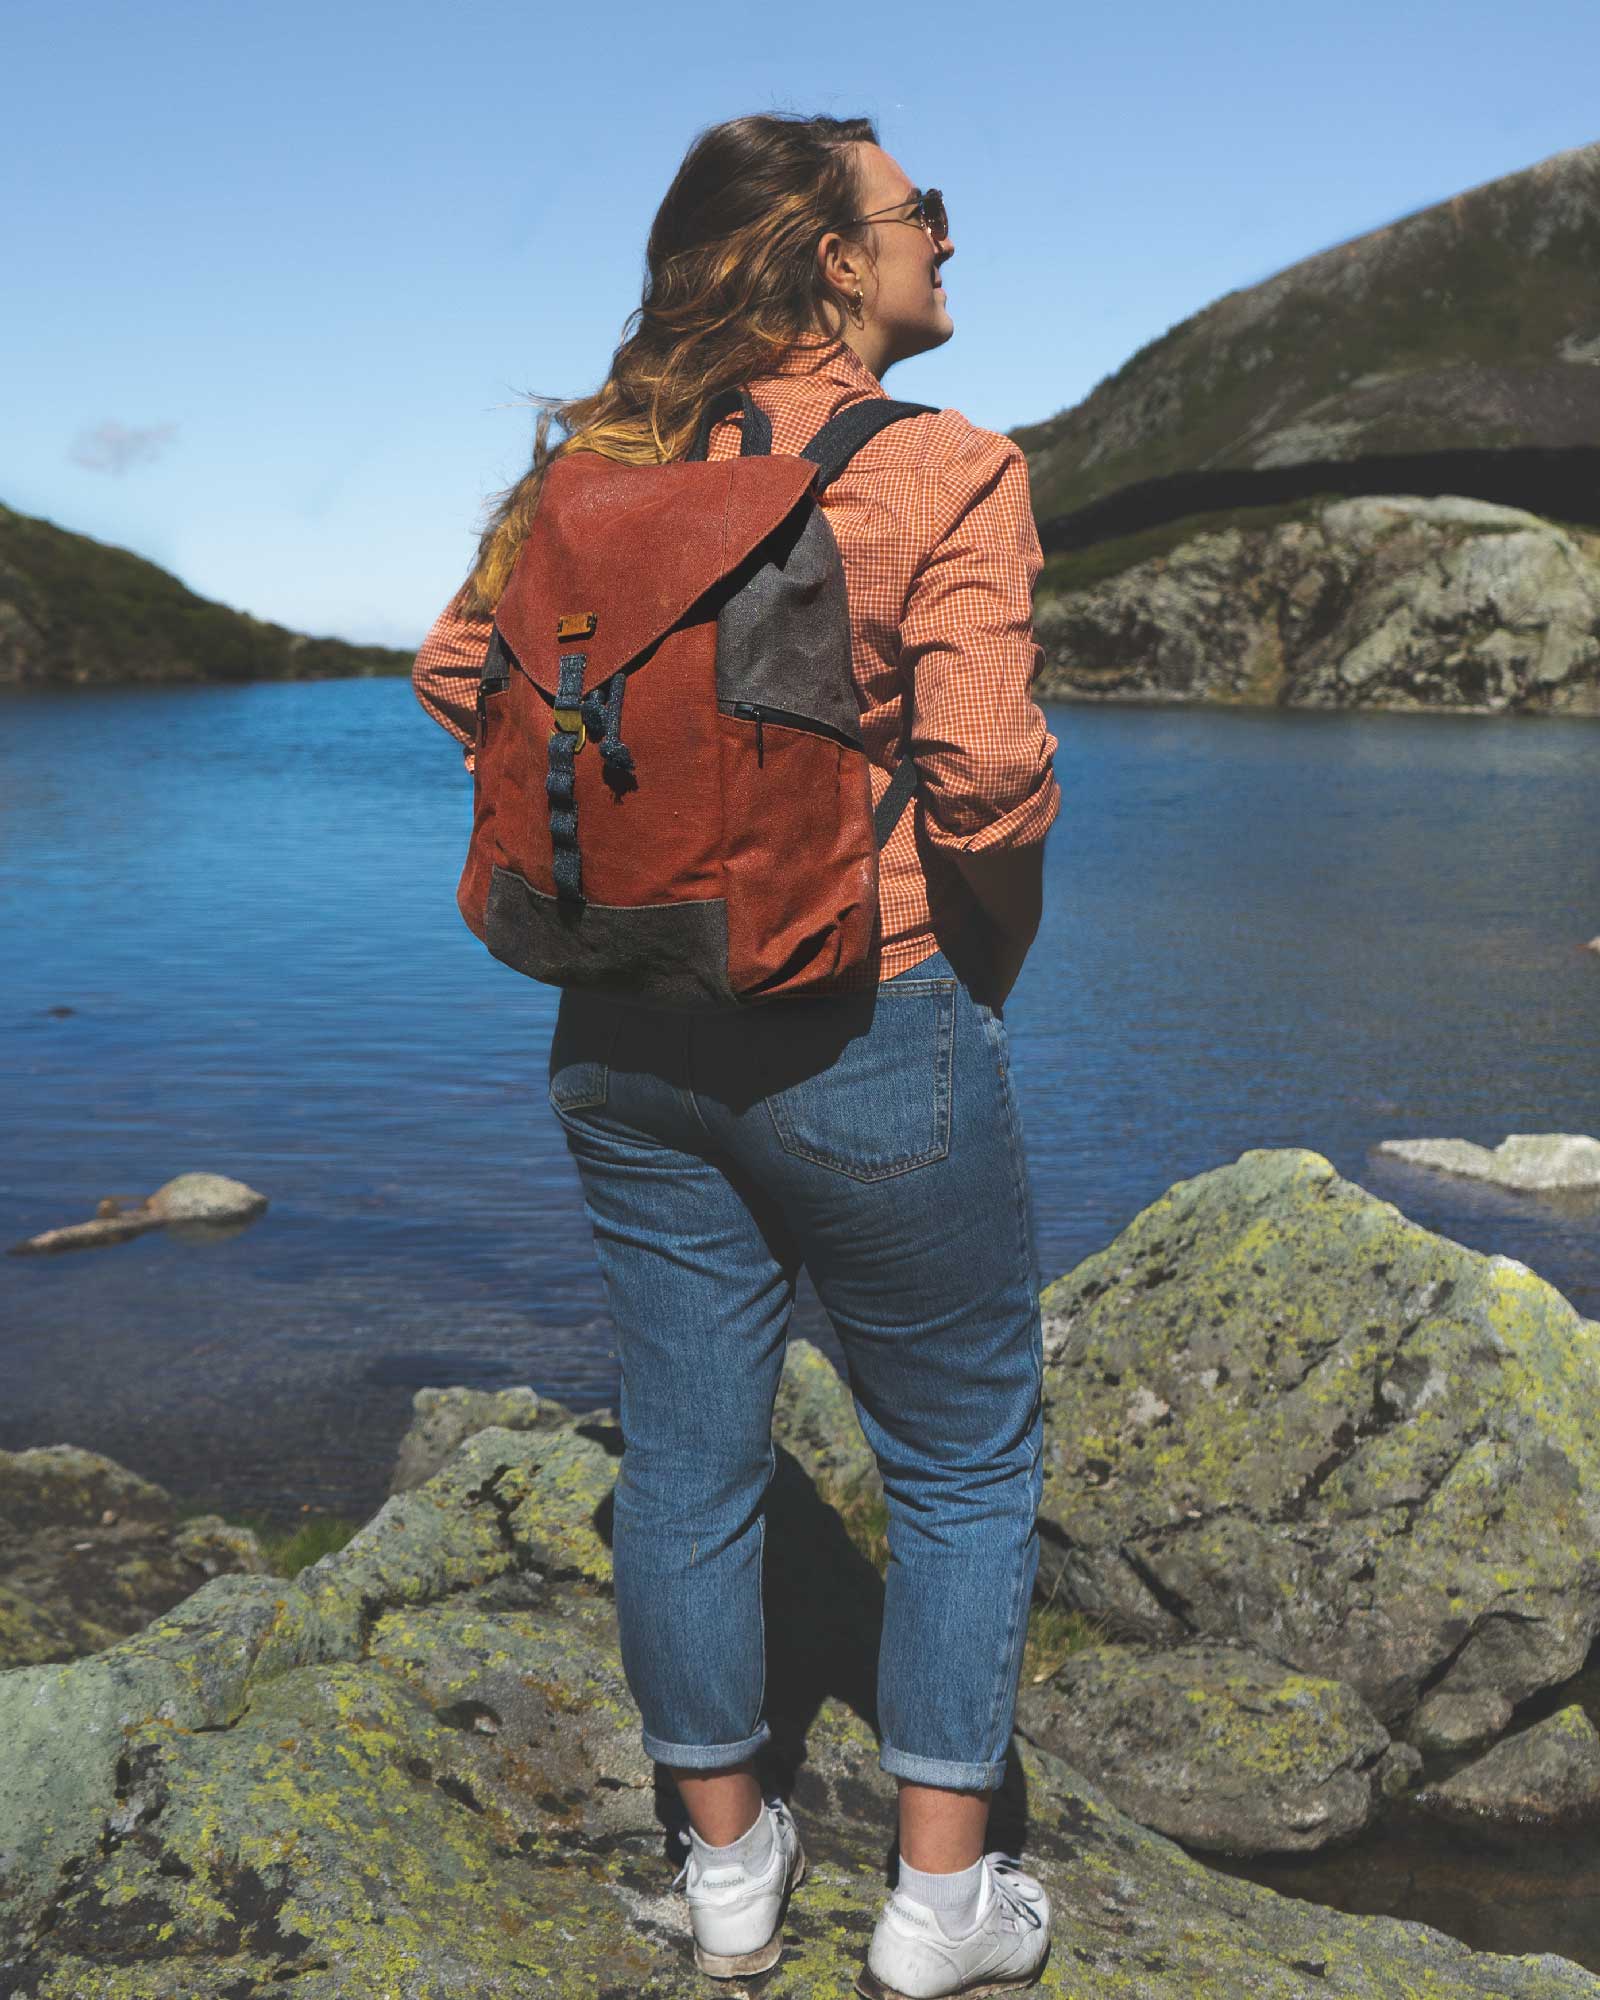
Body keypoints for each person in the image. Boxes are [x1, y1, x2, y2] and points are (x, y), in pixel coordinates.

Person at [413, 112, 1060, 2000]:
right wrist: (972, 950)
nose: (947, 239)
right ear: (830, 261)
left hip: (617, 1031)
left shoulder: (589, 471)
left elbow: (459, 676)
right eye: (917, 214)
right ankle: (944, 1915)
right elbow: (992, 775)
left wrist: (621, 857)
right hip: (861, 1017)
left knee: (690, 1454)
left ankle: (727, 1881)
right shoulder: (946, 467)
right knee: (957, 1456)